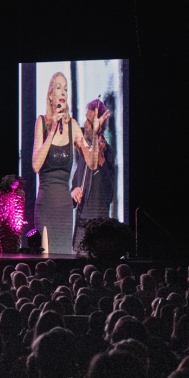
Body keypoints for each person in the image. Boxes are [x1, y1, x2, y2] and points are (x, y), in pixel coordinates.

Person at [31, 72, 97, 254]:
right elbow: (36, 165)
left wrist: (96, 135)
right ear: (50, 95)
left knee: (63, 259)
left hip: (65, 209)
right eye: (58, 87)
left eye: (66, 89)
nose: (63, 92)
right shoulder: (42, 123)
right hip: (46, 205)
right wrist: (52, 130)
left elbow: (91, 163)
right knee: (45, 260)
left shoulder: (73, 126)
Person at [72, 99, 115, 251]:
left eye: (89, 122)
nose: (84, 125)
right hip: (80, 228)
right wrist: (73, 192)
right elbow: (74, 186)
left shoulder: (107, 152)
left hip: (97, 231)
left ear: (99, 126)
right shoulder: (84, 154)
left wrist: (101, 163)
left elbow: (109, 194)